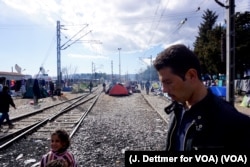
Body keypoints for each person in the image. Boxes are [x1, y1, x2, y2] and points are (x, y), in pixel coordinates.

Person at [153, 44, 250, 151]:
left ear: (191, 75)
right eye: (162, 83)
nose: (164, 90)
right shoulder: (176, 110)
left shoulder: (233, 122)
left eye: (168, 82)